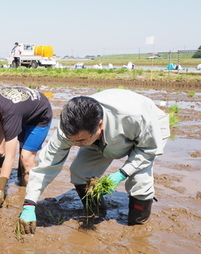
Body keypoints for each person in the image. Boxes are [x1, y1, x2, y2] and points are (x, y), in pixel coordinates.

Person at [18, 89, 171, 234]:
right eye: (73, 141)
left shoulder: (134, 117)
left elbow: (148, 149)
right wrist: (29, 203)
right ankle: (96, 211)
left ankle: (137, 224)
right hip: (101, 139)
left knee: (139, 181)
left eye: (81, 140)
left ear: (100, 125)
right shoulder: (69, 128)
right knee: (80, 172)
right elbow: (47, 165)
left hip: (148, 133)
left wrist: (122, 174)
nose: (77, 145)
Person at [0, 86, 52, 208]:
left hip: (39, 115)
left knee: (26, 158)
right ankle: (22, 185)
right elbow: (1, 122)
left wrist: (0, 188)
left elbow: (10, 156)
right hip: (22, 112)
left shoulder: (10, 113)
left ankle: (31, 199)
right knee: (22, 150)